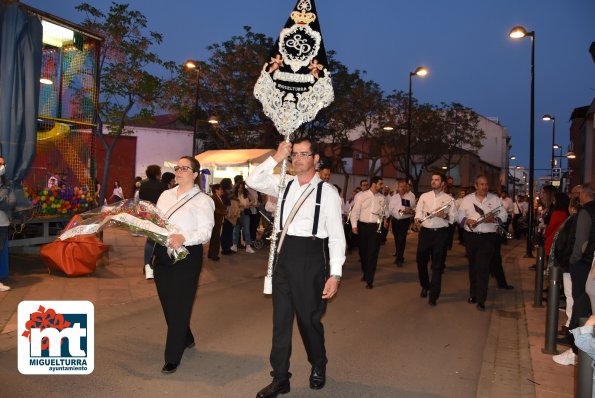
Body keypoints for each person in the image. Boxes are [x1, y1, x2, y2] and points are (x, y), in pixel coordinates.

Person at [246, 138, 345, 397]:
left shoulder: (328, 193)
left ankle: (318, 363)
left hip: (311, 258)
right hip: (283, 255)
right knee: (280, 322)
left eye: (304, 154)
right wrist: (277, 156)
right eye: (295, 155)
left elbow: (336, 237)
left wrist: (335, 274)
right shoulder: (285, 184)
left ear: (315, 159)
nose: (298, 159)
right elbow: (253, 180)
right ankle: (280, 378)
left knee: (308, 321)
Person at [153, 156, 214, 374]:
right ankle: (185, 336)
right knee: (168, 303)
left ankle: (172, 357)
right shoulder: (165, 195)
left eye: (185, 168)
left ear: (195, 174)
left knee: (180, 305)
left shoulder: (203, 200)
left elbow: (206, 232)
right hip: (163, 253)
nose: (179, 171)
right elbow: (157, 221)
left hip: (187, 256)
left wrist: (184, 237)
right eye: (177, 168)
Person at [553, 183, 595, 366]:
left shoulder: (585, 212)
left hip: (583, 264)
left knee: (580, 303)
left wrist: (574, 260)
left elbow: (580, 240)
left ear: (584, 195)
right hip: (589, 263)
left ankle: (576, 349)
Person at [457, 175, 507, 311]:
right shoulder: (467, 200)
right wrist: (467, 221)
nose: (485, 187)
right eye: (482, 184)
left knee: (483, 267)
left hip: (488, 237)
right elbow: (459, 216)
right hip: (471, 236)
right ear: (476, 186)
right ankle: (473, 294)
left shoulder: (495, 199)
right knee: (473, 266)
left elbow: (504, 215)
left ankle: (481, 299)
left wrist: (495, 219)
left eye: (486, 184)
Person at [414, 173, 455, 306]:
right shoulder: (424, 196)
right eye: (432, 179)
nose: (433, 182)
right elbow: (418, 211)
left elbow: (453, 218)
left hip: (440, 234)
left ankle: (434, 295)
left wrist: (444, 215)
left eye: (437, 180)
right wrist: (416, 219)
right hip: (425, 233)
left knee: (437, 265)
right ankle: (425, 285)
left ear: (442, 183)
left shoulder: (449, 199)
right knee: (420, 261)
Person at [350, 176, 386, 289]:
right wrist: (354, 226)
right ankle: (366, 272)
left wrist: (384, 220)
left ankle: (370, 279)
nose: (382, 186)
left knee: (373, 254)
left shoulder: (382, 198)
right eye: (381, 184)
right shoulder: (361, 195)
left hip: (375, 228)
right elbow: (355, 211)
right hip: (362, 226)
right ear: (374, 184)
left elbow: (384, 211)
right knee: (363, 252)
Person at [139, 165, 165, 279]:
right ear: (157, 174)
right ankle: (150, 264)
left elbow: (141, 200)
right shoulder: (161, 186)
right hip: (158, 216)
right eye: (159, 173)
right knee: (157, 240)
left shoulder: (143, 186)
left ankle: (147, 264)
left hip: (146, 215)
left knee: (150, 240)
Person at [387, 179, 416, 267]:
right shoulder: (394, 197)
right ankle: (398, 255)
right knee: (396, 239)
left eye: (404, 186)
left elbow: (414, 210)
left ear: (406, 187)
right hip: (395, 220)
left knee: (402, 239)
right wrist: (387, 219)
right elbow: (390, 209)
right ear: (398, 187)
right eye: (401, 186)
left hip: (404, 221)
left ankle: (400, 258)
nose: (402, 188)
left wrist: (410, 211)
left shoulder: (410, 197)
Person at [0, 156, 15, 292]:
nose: (2, 166)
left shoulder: (6, 182)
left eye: (3, 164)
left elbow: (10, 202)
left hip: (3, 222)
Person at [231, 181, 255, 254]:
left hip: (245, 213)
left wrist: (248, 204)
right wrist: (240, 205)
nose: (240, 189)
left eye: (241, 187)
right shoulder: (234, 194)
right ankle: (234, 245)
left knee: (246, 230)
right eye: (239, 187)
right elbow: (233, 204)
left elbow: (253, 200)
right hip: (237, 213)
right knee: (236, 229)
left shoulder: (246, 193)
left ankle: (248, 246)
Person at [208, 183, 227, 261]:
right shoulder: (213, 198)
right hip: (215, 220)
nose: (222, 190)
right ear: (216, 190)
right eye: (220, 189)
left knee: (214, 238)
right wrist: (224, 212)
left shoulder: (218, 197)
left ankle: (211, 253)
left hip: (218, 220)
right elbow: (214, 209)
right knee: (216, 238)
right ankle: (214, 255)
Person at [220, 178, 235, 255]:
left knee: (229, 231)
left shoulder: (228, 192)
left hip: (230, 214)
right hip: (226, 215)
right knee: (226, 232)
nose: (231, 184)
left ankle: (228, 247)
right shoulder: (223, 193)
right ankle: (224, 248)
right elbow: (224, 204)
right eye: (230, 182)